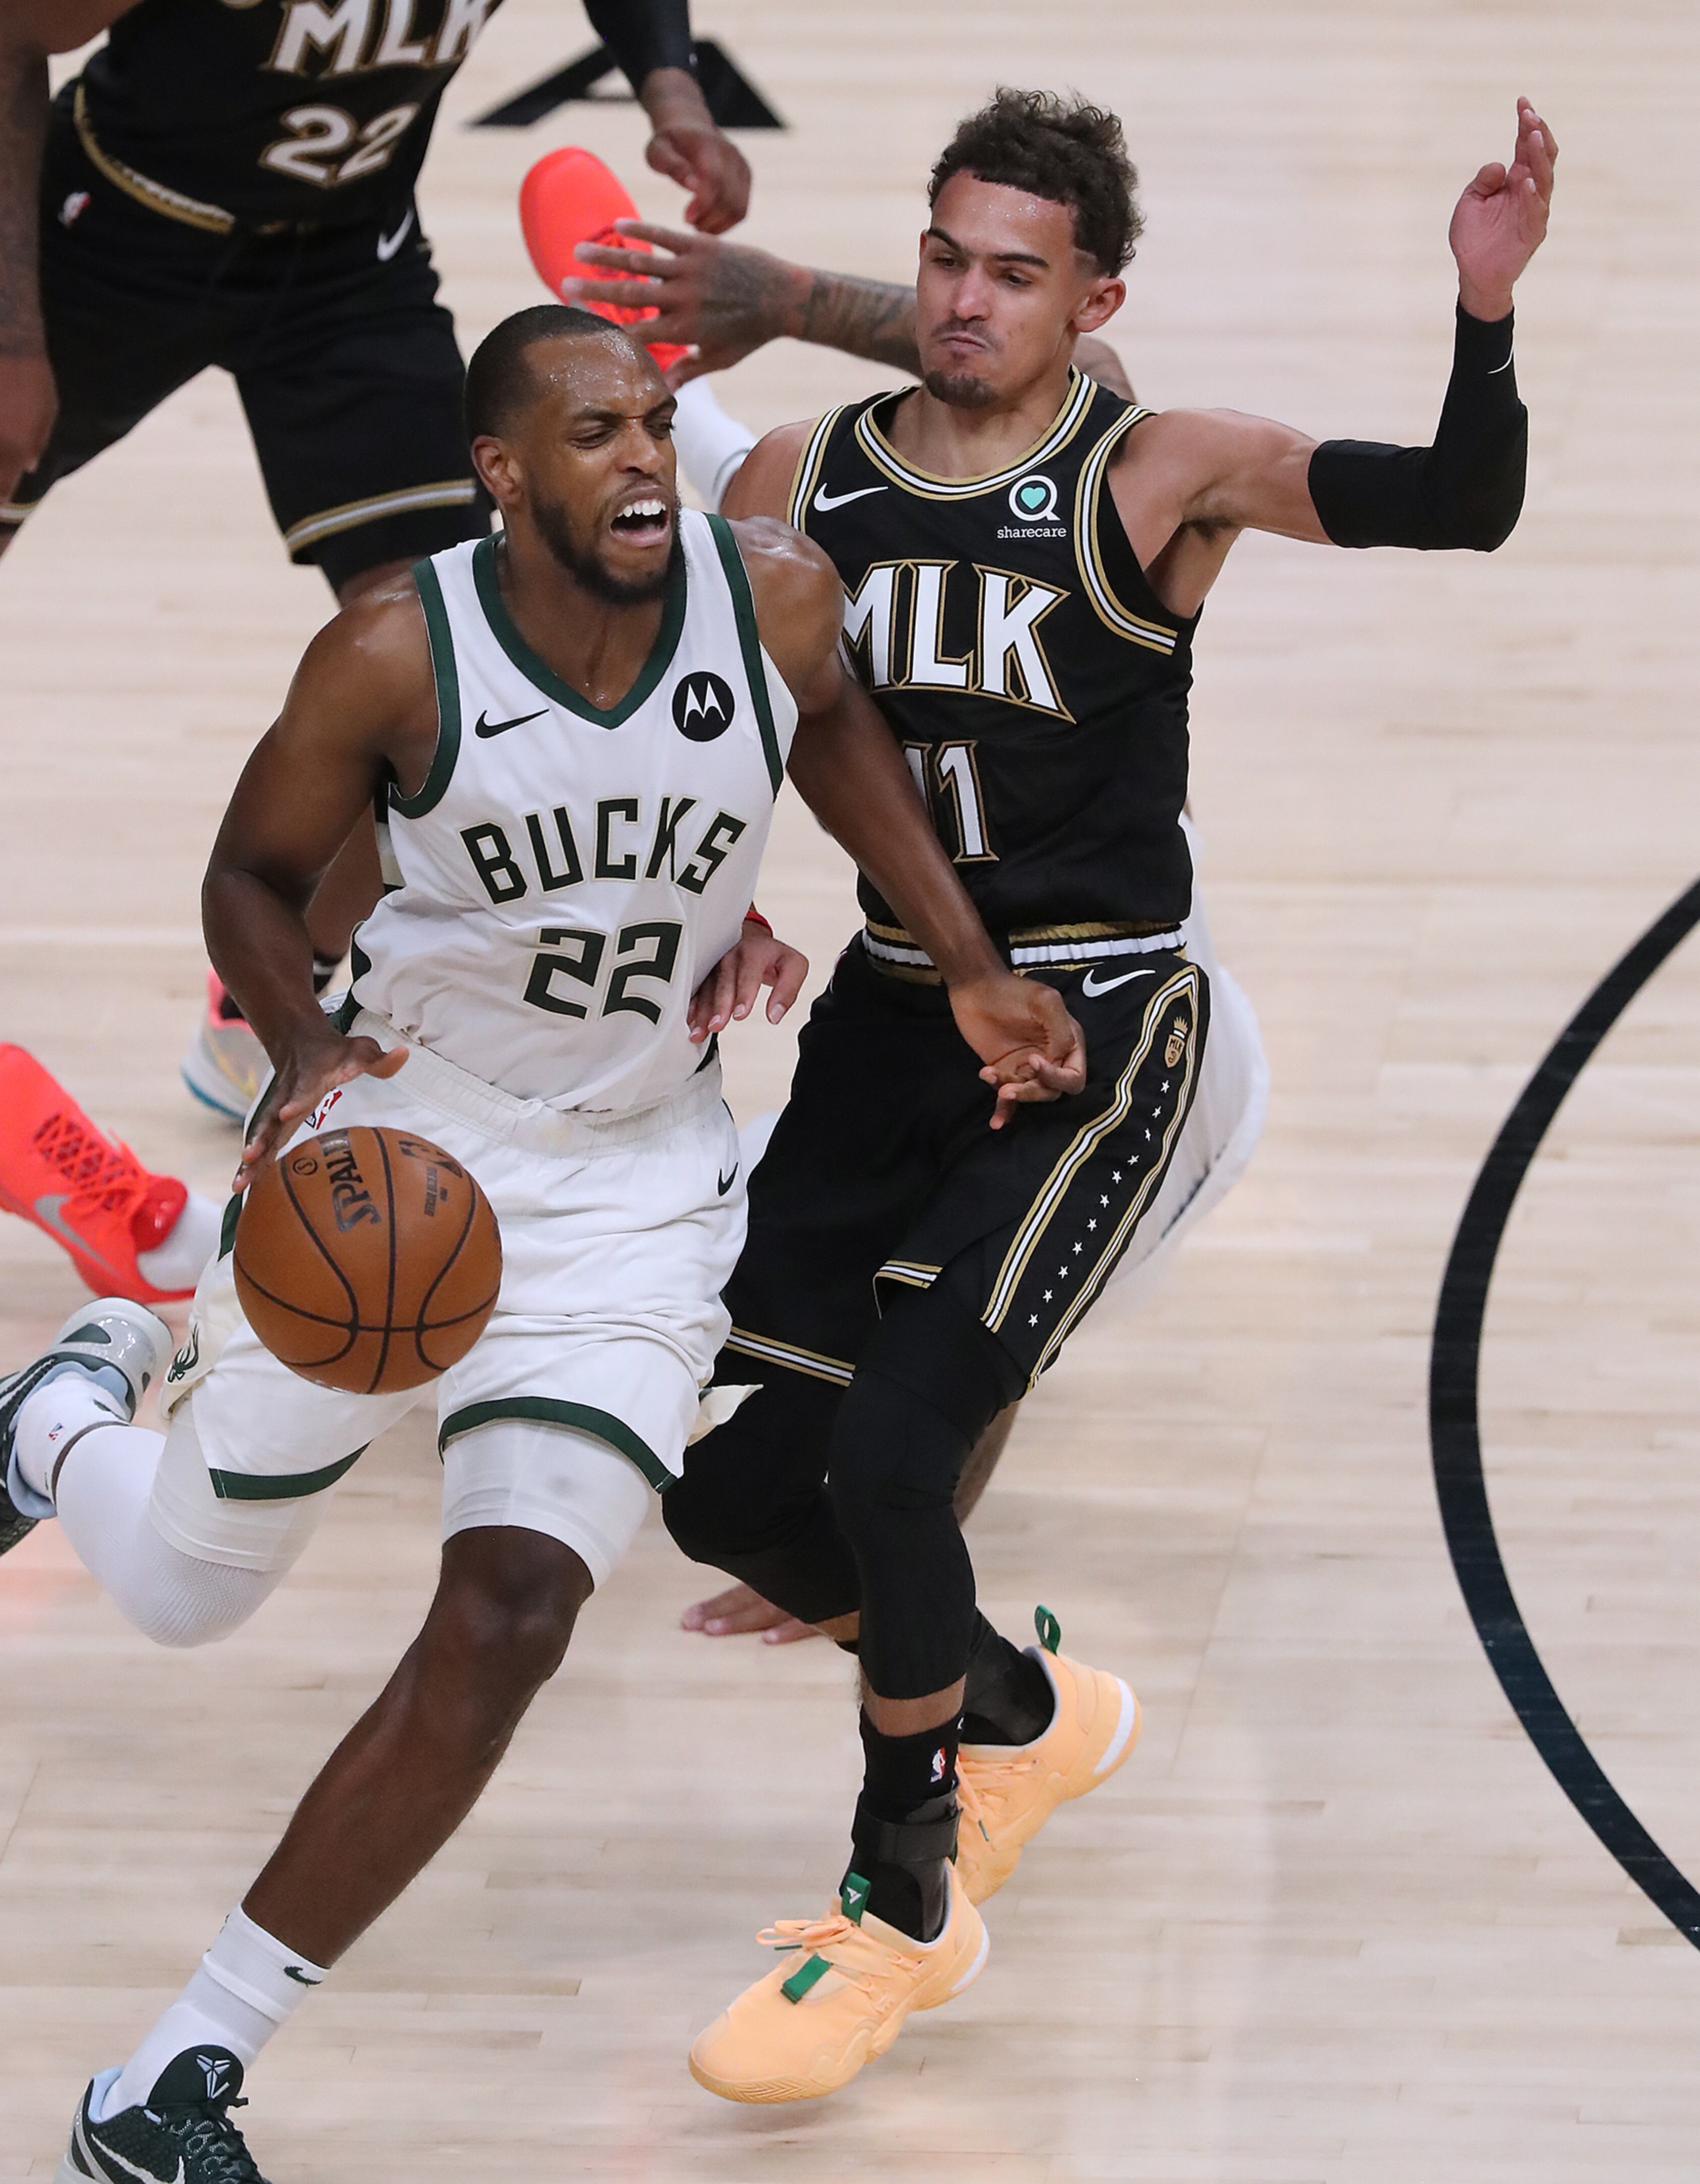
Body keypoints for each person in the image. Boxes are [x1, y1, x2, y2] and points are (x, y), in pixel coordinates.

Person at [0, 304, 1084, 2179]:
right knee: (191, 1588)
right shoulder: (394, 651)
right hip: (402, 1141)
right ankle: (62, 1412)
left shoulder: (771, 592)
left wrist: (960, 962)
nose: (644, 460)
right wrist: (304, 1044)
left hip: (636, 1188)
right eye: (599, 433)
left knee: (515, 1609)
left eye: (654, 425)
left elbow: (839, 738)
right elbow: (247, 876)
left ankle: (175, 2074)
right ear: (504, 472)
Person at [635, 87, 1551, 2103]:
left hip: (1096, 1027)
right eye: (947, 258)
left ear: (1094, 296)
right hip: (890, 1017)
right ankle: (1026, 1710)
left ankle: (906, 1896)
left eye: (1012, 273)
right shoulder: (796, 474)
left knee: (894, 1459)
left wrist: (1481, 315)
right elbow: (726, 730)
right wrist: (726, 918)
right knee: (728, 1488)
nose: (964, 299)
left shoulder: (1154, 477)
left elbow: (1457, 502)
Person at [0, 0, 751, 1121]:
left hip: (343, 269)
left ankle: (277, 993)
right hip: (116, 249)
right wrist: (14, 337)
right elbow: (2, 37)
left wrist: (671, 87)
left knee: (458, 674)